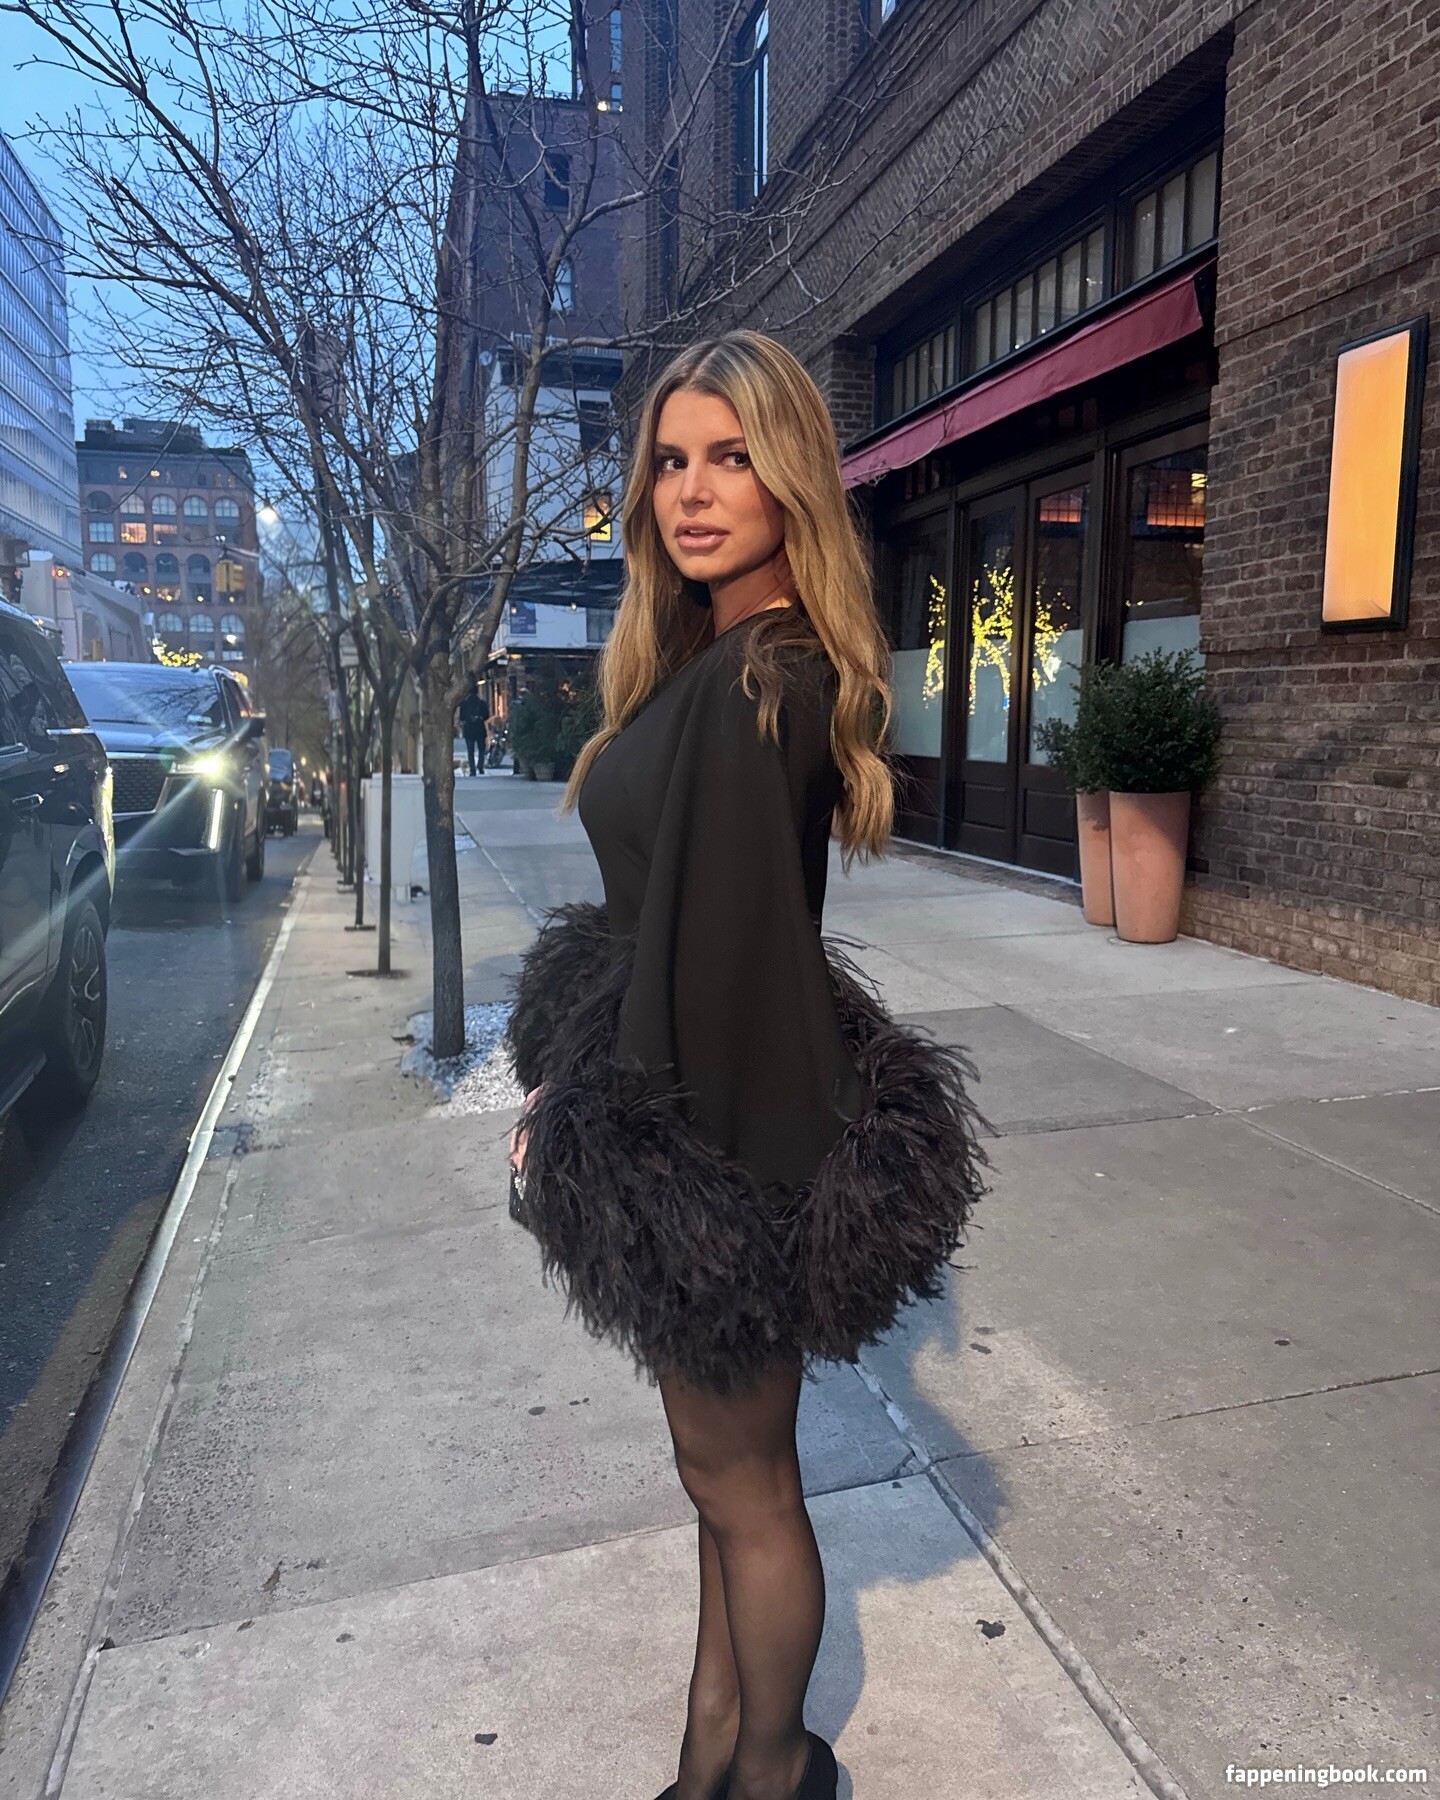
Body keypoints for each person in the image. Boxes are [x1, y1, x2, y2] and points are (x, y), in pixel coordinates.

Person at [503, 331, 988, 1800]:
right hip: (688, 1114)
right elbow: (669, 930)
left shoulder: (762, 680)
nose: (694, 492)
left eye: (731, 459)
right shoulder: (711, 660)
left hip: (713, 1137)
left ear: (791, 481)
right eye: (670, 461)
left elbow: (726, 958)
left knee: (747, 1486)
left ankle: (773, 1773)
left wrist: (627, 1152)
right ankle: (711, 1747)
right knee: (721, 1483)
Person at [458, 677, 490, 777]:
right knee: (481, 750)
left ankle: (472, 770)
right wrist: (479, 718)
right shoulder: (482, 703)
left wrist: (468, 719)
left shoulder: (464, 704)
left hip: (469, 729)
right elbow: (487, 716)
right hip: (480, 729)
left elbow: (461, 717)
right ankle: (480, 767)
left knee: (470, 751)